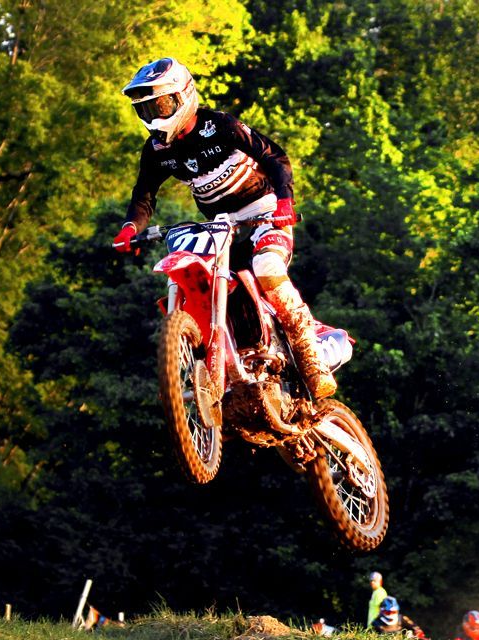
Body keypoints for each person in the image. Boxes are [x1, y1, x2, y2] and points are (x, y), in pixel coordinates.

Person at [112, 58, 336, 399]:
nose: (155, 117)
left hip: (263, 212)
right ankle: (228, 367)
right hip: (219, 227)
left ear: (183, 96)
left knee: (267, 266)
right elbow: (144, 196)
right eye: (145, 109)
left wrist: (285, 202)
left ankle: (310, 359)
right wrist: (130, 228)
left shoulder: (220, 125)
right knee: (202, 281)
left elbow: (275, 157)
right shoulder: (156, 150)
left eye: (160, 105)